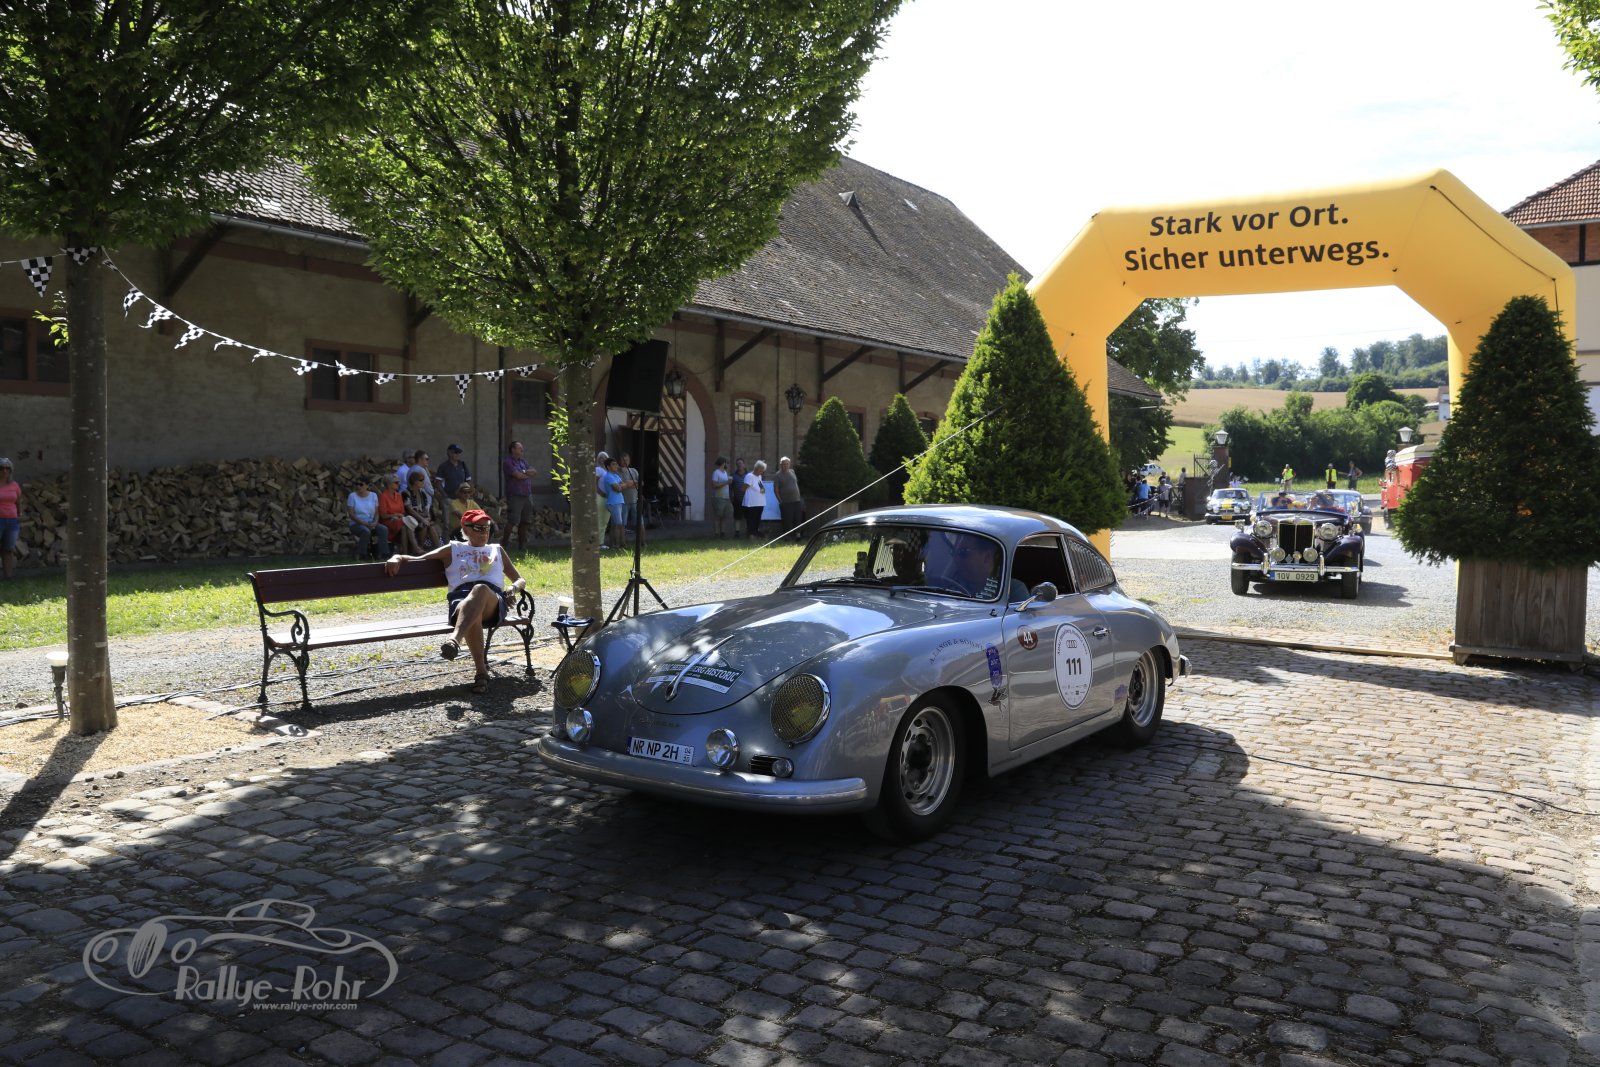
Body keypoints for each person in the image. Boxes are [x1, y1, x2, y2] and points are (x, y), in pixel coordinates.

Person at [385, 508, 524, 694]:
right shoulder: (454, 549)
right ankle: (481, 674)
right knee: (472, 609)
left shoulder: (496, 550)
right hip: (461, 600)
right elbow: (418, 558)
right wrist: (396, 557)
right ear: (465, 529)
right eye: (478, 528)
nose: (484, 532)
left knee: (480, 589)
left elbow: (519, 579)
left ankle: (454, 640)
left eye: (487, 527)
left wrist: (512, 588)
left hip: (492, 601)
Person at [925, 531, 1001, 598]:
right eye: (953, 552)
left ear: (987, 557)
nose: (956, 559)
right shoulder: (954, 582)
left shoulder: (1001, 590)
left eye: (963, 552)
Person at [501, 441, 535, 549]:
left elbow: (534, 471)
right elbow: (518, 476)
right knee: (512, 520)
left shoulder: (523, 461)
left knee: (525, 521)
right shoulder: (508, 462)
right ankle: (504, 545)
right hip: (515, 495)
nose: (522, 450)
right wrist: (526, 474)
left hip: (527, 495)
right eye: (520, 448)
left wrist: (523, 472)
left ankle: (522, 545)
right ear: (513, 450)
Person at [346, 477, 390, 560]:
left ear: (367, 486)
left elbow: (376, 512)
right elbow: (351, 514)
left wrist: (375, 522)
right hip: (356, 524)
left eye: (361, 484)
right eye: (356, 484)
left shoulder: (373, 495)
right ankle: (362, 554)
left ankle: (383, 554)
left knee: (383, 529)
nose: (358, 486)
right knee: (365, 531)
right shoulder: (352, 496)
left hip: (371, 522)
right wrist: (363, 523)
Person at [377, 474, 419, 555]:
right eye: (396, 482)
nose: (398, 484)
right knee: (404, 524)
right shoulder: (383, 496)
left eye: (398, 482)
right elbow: (383, 515)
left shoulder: (399, 496)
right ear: (389, 484)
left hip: (399, 521)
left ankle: (405, 552)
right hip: (388, 522)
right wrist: (394, 515)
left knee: (404, 526)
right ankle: (415, 548)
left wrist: (399, 516)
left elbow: (402, 512)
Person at [405, 470, 439, 549]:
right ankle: (420, 547)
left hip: (422, 518)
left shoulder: (422, 493)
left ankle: (438, 548)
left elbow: (426, 509)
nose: (423, 482)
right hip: (411, 520)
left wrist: (428, 517)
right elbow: (409, 510)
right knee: (424, 525)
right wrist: (422, 519)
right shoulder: (406, 493)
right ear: (415, 482)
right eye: (421, 480)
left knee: (431, 526)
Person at [600, 456, 627, 549]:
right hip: (613, 502)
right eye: (613, 464)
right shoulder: (608, 476)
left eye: (616, 464)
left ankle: (616, 544)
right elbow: (618, 488)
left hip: (619, 501)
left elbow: (624, 485)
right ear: (608, 467)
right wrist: (621, 486)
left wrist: (621, 486)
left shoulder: (616, 476)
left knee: (616, 524)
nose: (616, 466)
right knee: (618, 524)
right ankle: (617, 545)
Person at [0, 458, 20, 579]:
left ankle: (8, 577)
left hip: (12, 521)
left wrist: (19, 515)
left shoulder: (14, 485)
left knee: (8, 549)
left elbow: (18, 502)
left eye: (7, 468)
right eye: (1, 468)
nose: (4, 471)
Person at [775, 456, 802, 538]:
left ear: (789, 464)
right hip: (786, 501)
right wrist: (780, 501)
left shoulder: (792, 472)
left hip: (796, 500)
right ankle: (787, 537)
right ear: (781, 465)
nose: (786, 465)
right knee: (787, 520)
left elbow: (795, 484)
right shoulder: (778, 475)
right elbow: (776, 490)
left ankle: (798, 536)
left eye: (787, 464)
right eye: (784, 464)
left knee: (798, 518)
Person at [618, 451, 641, 543]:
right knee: (623, 523)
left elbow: (640, 483)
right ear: (620, 461)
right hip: (624, 501)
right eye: (623, 460)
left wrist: (628, 483)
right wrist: (633, 483)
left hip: (634, 500)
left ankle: (640, 542)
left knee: (639, 522)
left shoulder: (634, 471)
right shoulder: (617, 472)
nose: (625, 462)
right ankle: (622, 543)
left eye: (627, 460)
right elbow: (620, 485)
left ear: (629, 460)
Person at [742, 460, 767, 538]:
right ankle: (751, 537)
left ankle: (755, 535)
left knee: (757, 521)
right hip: (751, 504)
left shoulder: (759, 477)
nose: (762, 472)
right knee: (751, 521)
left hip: (760, 503)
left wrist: (762, 491)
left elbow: (762, 489)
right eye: (761, 470)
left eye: (763, 470)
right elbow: (743, 488)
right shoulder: (749, 476)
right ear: (756, 468)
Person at [710, 457, 733, 538]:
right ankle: (716, 534)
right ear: (723, 463)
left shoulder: (725, 472)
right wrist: (726, 482)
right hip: (718, 497)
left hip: (726, 497)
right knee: (718, 516)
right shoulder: (716, 472)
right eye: (727, 463)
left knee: (724, 516)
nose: (728, 465)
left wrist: (728, 483)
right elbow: (714, 485)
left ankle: (722, 533)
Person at [594, 450, 611, 548]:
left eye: (604, 457)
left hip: (608, 498)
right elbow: (594, 484)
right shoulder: (598, 469)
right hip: (600, 497)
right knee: (600, 520)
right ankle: (599, 543)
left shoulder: (608, 471)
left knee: (605, 521)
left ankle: (601, 542)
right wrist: (601, 493)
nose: (602, 459)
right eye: (600, 458)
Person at [730, 458, 749, 536]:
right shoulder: (733, 475)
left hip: (748, 500)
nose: (739, 465)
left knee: (748, 517)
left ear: (744, 465)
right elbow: (730, 488)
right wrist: (731, 498)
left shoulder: (749, 475)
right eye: (737, 464)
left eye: (741, 463)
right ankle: (737, 533)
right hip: (737, 500)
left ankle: (748, 532)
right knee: (737, 517)